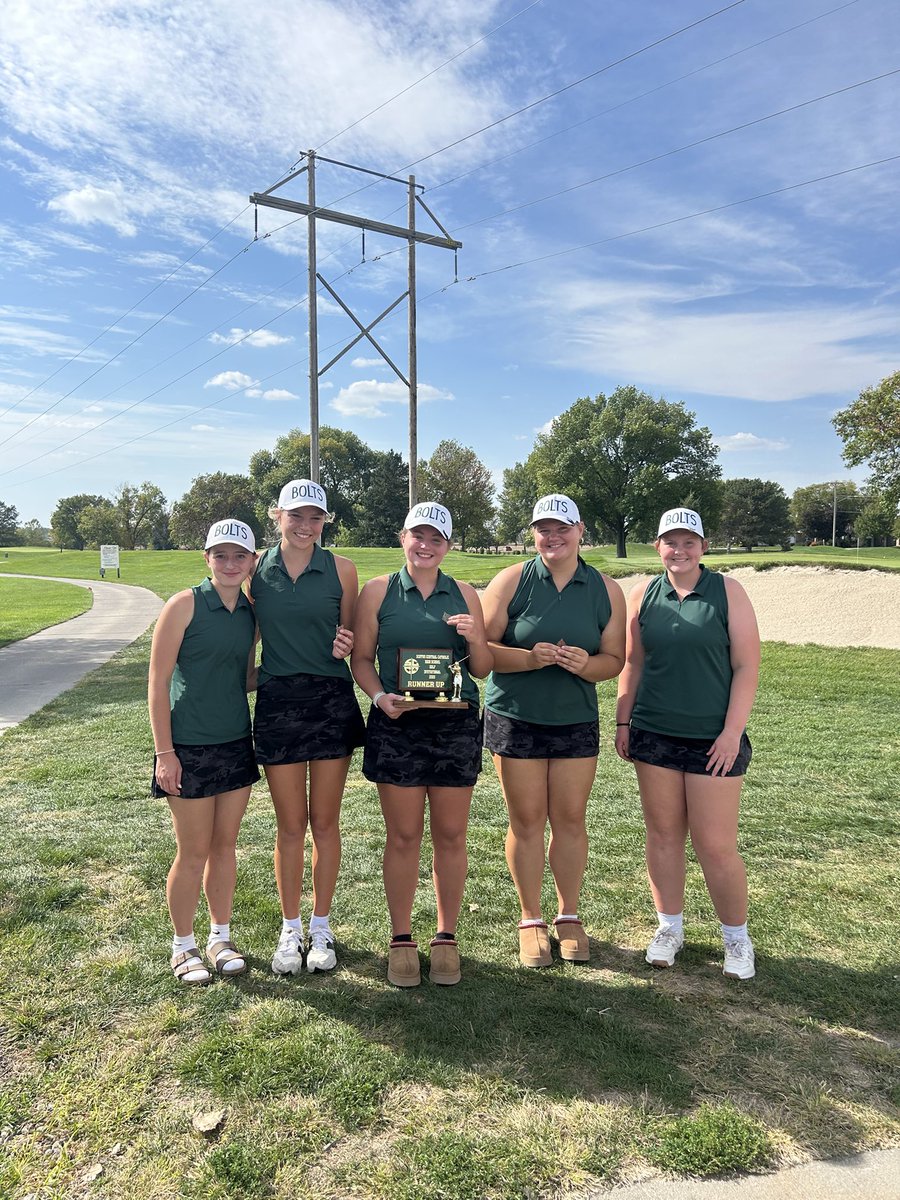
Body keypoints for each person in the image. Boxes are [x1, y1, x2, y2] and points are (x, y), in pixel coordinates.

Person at [615, 507, 761, 980]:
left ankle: (736, 937)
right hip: (654, 732)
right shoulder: (643, 594)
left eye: (689, 541)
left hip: (712, 739)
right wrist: (623, 723)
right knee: (662, 835)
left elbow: (746, 667)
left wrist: (731, 733)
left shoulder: (727, 591)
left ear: (703, 546)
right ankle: (669, 928)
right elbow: (633, 664)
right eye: (670, 542)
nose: (679, 550)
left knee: (715, 845)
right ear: (657, 546)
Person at [351, 502, 492, 987]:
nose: (426, 546)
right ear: (402, 537)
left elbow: (482, 668)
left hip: (454, 724)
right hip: (398, 722)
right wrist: (377, 697)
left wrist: (476, 637)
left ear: (449, 546)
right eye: (418, 536)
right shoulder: (378, 591)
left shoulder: (466, 592)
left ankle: (447, 936)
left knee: (452, 835)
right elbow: (363, 659)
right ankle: (401, 937)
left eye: (436, 539)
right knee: (404, 836)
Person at [482, 494, 626, 967]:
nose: (553, 536)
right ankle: (530, 918)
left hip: (574, 722)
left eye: (562, 527)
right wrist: (528, 658)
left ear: (580, 530)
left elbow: (614, 660)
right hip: (515, 716)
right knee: (525, 822)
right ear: (533, 533)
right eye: (543, 528)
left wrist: (587, 665)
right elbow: (481, 652)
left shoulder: (605, 588)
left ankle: (568, 916)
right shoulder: (512, 579)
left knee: (569, 820)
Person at [251, 479, 364, 976]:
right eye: (295, 516)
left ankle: (321, 925)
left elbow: (351, 636)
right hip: (278, 701)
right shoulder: (256, 571)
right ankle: (290, 926)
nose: (305, 526)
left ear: (325, 521)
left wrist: (346, 643)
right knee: (290, 825)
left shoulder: (342, 569)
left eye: (315, 517)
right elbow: (247, 634)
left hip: (329, 699)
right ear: (277, 516)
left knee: (325, 822)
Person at [148, 518, 259, 986]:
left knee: (225, 846)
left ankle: (219, 937)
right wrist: (164, 752)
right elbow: (156, 682)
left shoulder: (252, 613)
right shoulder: (184, 605)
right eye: (221, 555)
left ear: (253, 562)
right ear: (206, 558)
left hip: (236, 741)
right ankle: (182, 945)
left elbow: (243, 677)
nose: (230, 564)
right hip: (188, 744)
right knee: (192, 851)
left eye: (240, 556)